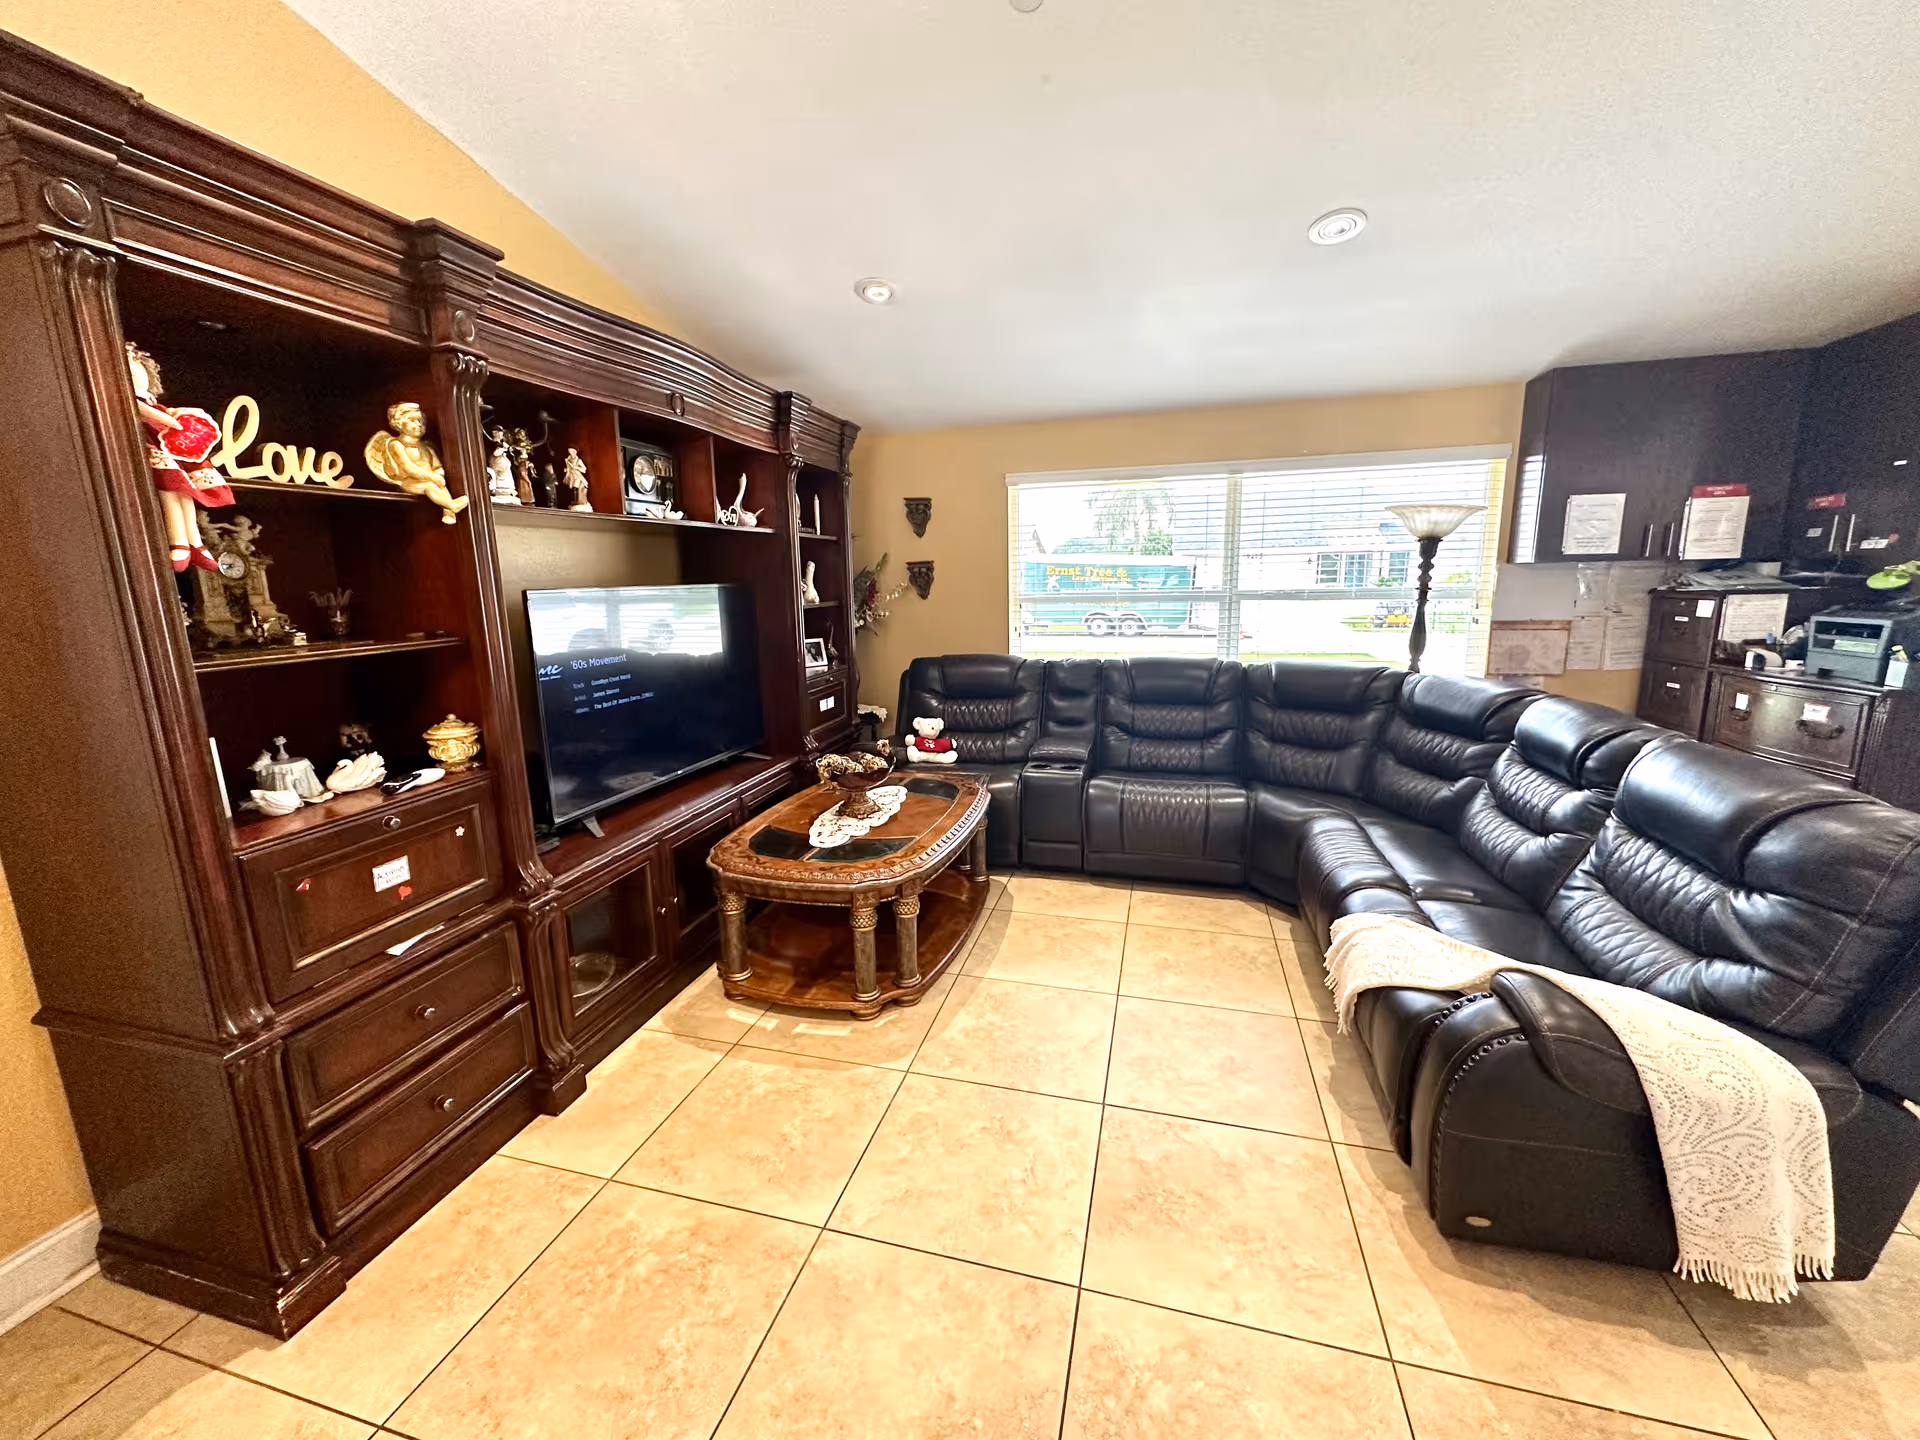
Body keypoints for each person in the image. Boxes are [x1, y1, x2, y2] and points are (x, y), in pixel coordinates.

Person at [126, 343, 231, 572]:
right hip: (154, 449)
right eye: (131, 373)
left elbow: (165, 415)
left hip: (167, 448)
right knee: (170, 492)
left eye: (138, 371)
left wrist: (180, 415)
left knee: (185, 493)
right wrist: (173, 420)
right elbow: (165, 420)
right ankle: (180, 542)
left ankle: (195, 542)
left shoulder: (150, 401)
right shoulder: (132, 401)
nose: (137, 376)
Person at [364, 402, 469, 523]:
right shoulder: (396, 445)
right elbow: (408, 468)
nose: (418, 424)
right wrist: (432, 477)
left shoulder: (426, 448)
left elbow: (437, 466)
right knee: (429, 486)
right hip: (409, 482)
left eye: (420, 421)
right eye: (412, 421)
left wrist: (438, 474)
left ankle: (448, 512)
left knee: (439, 486)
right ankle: (451, 506)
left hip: (432, 480)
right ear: (399, 423)